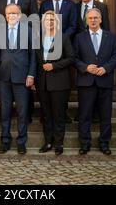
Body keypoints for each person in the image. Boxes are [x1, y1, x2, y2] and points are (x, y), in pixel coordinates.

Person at [0, 0, 38, 123]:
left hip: (23, 43)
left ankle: (26, 117)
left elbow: (34, 18)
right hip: (5, 45)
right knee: (5, 104)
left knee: (23, 102)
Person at [74, 8, 116, 155]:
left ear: (100, 20)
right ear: (86, 21)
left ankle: (104, 143)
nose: (93, 20)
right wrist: (86, 67)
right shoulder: (79, 38)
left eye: (96, 18)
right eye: (90, 18)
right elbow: (74, 58)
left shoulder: (111, 37)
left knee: (105, 115)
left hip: (104, 81)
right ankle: (85, 143)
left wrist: (106, 68)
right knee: (85, 115)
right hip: (86, 82)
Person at [0, 4, 36, 155]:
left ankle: (21, 142)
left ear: (20, 15)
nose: (11, 15)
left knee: (22, 111)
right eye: (9, 13)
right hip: (3, 77)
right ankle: (5, 141)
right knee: (5, 111)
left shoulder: (29, 31)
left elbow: (33, 55)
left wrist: (31, 75)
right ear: (5, 16)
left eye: (14, 13)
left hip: (22, 77)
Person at [39, 0, 77, 124]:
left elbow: (73, 25)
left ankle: (63, 111)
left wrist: (60, 38)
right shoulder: (45, 4)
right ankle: (46, 114)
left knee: (63, 82)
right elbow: (43, 24)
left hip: (64, 47)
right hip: (47, 45)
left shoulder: (70, 4)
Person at [36, 11, 75, 156]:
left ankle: (59, 143)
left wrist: (54, 66)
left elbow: (71, 58)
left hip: (59, 82)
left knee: (59, 114)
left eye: (52, 20)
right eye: (47, 20)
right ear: (43, 22)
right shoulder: (38, 39)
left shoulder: (63, 38)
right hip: (42, 83)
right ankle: (48, 142)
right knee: (46, 115)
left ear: (56, 22)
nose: (50, 22)